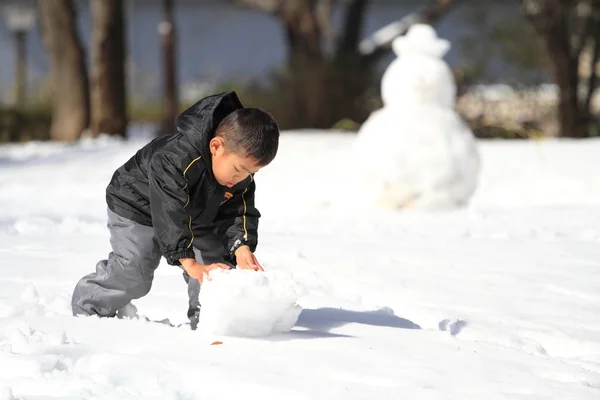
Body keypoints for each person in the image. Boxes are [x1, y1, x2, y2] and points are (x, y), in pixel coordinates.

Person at [71, 90, 280, 329]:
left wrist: (241, 246)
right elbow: (169, 210)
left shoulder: (237, 176)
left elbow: (240, 212)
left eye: (251, 173)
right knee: (135, 273)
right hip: (137, 205)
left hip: (196, 213)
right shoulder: (175, 159)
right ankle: (88, 309)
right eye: (239, 169)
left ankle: (211, 321)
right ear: (216, 146)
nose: (242, 177)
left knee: (216, 271)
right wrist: (189, 262)